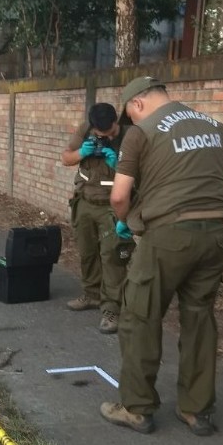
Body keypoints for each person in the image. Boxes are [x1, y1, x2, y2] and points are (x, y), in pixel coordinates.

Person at [100, 76, 223, 437]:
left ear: (138, 104)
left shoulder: (141, 133)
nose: (132, 120)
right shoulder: (214, 126)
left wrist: (126, 223)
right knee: (199, 319)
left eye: (131, 113)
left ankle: (137, 408)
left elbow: (118, 196)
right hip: (217, 236)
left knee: (139, 317)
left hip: (169, 238)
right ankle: (197, 410)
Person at [61, 102, 131, 334]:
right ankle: (91, 294)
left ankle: (111, 309)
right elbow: (66, 158)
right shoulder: (86, 130)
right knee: (87, 252)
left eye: (109, 133)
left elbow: (142, 174)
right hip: (85, 202)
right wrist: (82, 152)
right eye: (99, 135)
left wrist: (117, 164)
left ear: (115, 123)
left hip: (112, 206)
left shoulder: (130, 136)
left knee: (112, 258)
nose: (104, 138)